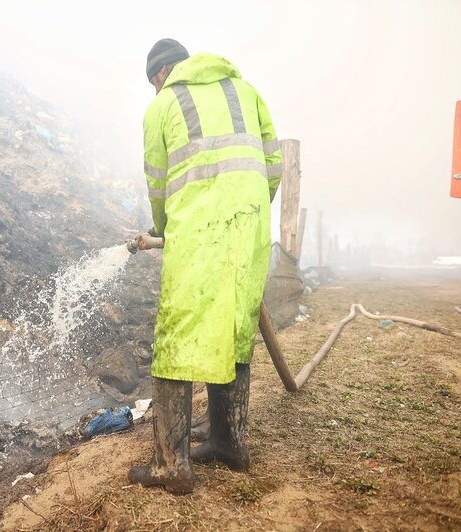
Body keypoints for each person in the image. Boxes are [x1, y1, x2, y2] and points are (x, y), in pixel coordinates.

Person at [128, 39, 282, 494]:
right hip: (251, 227)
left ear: (159, 75)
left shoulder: (162, 106)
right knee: (234, 330)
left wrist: (165, 231)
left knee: (176, 337)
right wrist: (249, 214)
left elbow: (159, 186)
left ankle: (170, 466)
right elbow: (273, 163)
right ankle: (229, 443)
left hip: (197, 232)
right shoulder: (245, 89)